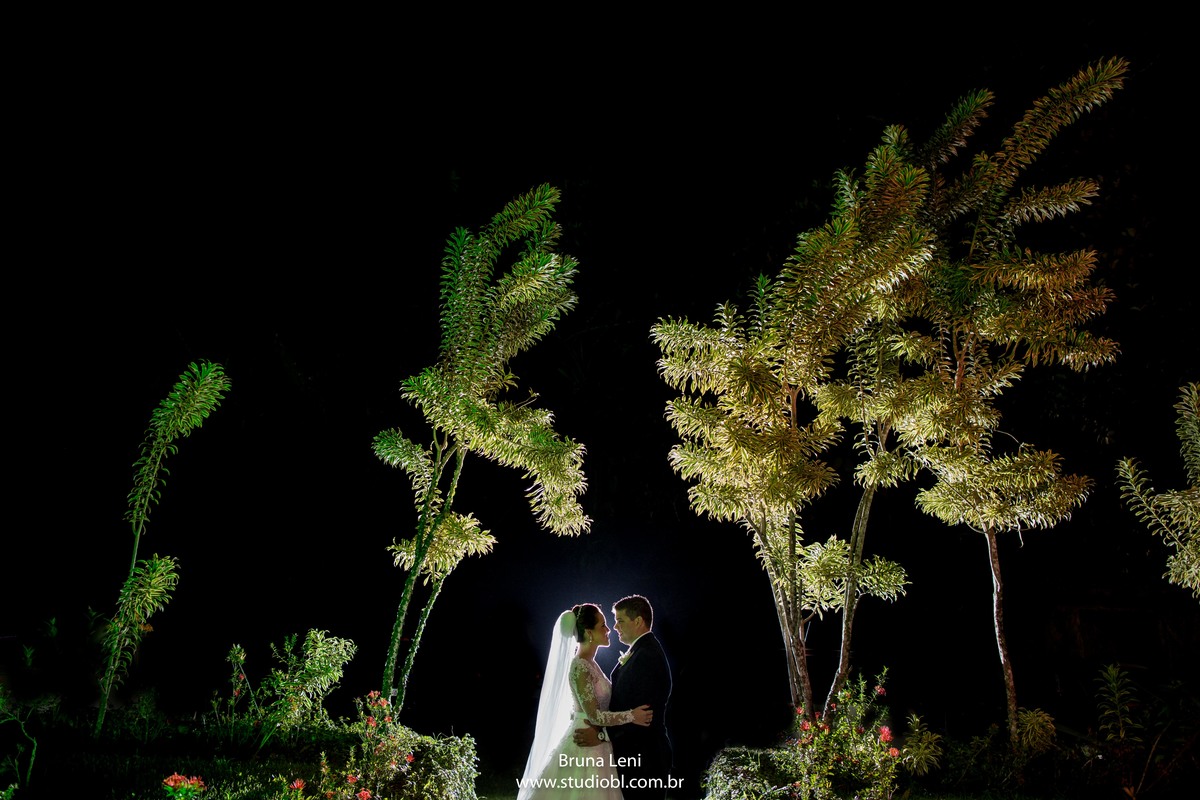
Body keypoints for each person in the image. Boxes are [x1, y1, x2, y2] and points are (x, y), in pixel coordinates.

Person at [517, 603, 654, 800]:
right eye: (603, 626)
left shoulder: (591, 663)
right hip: (585, 741)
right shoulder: (580, 666)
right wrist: (632, 715)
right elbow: (594, 715)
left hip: (596, 740)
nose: (609, 630)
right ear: (589, 633)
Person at [573, 595, 673, 799]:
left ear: (638, 621)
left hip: (645, 757)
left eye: (620, 620)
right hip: (634, 756)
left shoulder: (646, 656)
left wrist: (601, 735)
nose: (614, 627)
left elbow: (642, 716)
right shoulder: (640, 651)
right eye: (611, 621)